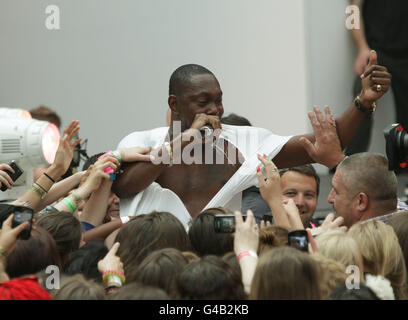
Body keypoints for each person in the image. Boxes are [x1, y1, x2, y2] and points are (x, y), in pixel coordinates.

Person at [113, 60, 391, 225]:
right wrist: (182, 142)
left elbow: (328, 141)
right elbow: (122, 186)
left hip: (222, 265)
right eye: (203, 102)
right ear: (174, 104)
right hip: (152, 264)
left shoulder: (243, 142)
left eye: (218, 100)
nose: (215, 110)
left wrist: (363, 102)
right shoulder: (142, 141)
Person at [345, 0, 408, 155]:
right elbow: (353, 9)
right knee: (362, 101)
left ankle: (402, 165)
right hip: (376, 53)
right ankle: (352, 161)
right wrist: (362, 48)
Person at [328, 152, 399, 227]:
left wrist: (324, 237)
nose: (330, 199)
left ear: (361, 201)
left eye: (336, 191)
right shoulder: (401, 213)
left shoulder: (364, 238)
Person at [242, 164, 321, 226]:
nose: (300, 202)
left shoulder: (324, 234)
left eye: (308, 195)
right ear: (273, 196)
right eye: (291, 193)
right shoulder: (259, 238)